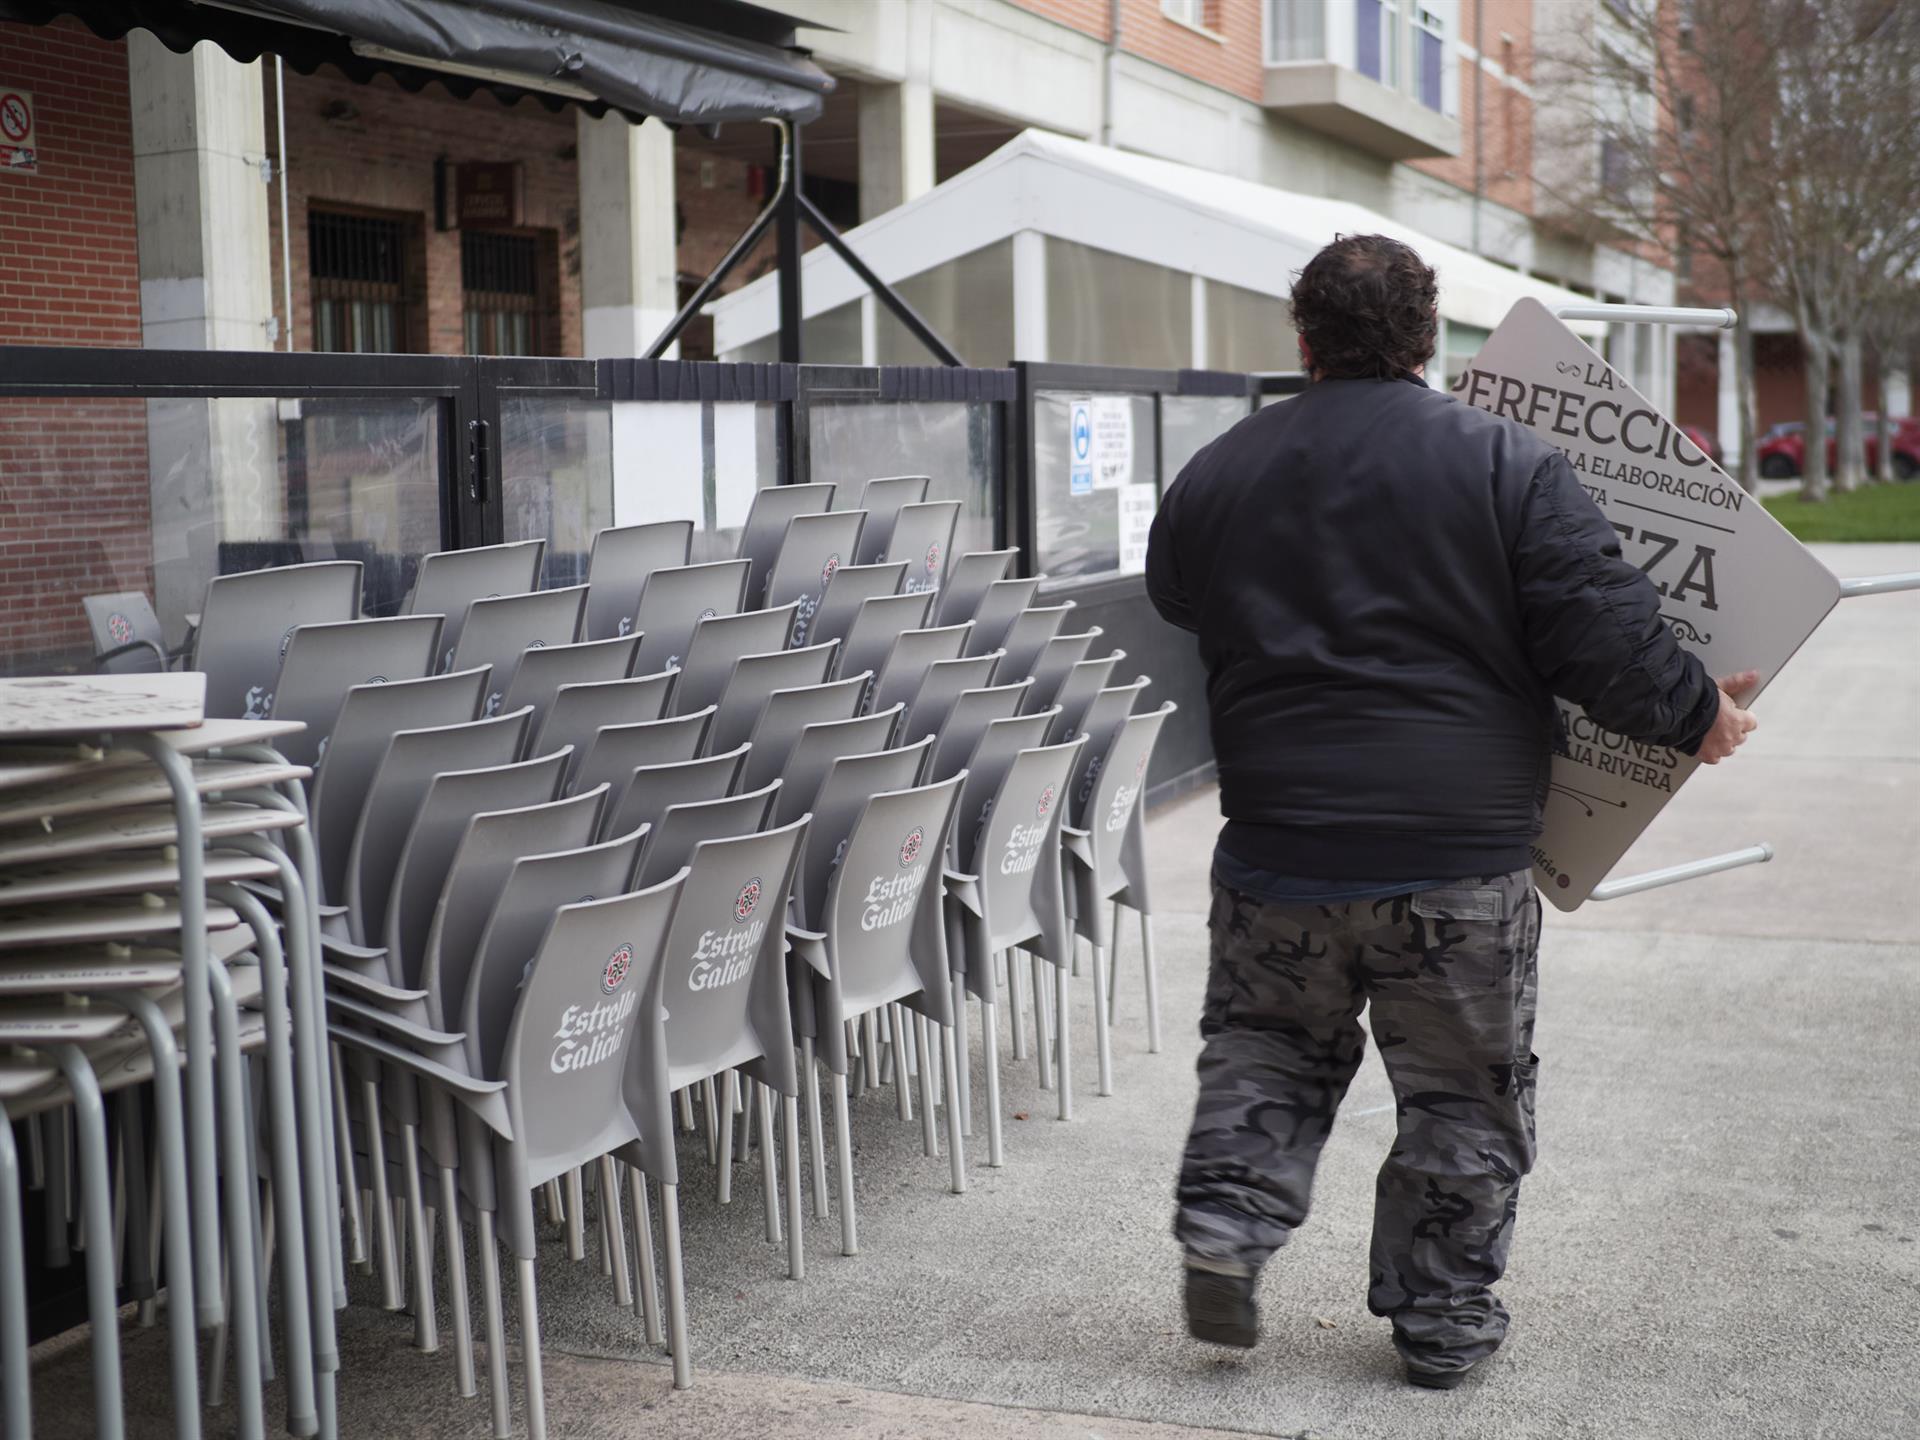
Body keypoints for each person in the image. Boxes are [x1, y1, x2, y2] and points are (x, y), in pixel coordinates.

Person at [1144, 234, 1757, 1389]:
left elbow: (1179, 594)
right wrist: (1697, 718)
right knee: (1463, 1095)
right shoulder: (1505, 465)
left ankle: (1226, 1232)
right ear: (1430, 337)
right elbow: (1603, 631)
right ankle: (1441, 1324)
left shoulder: (1219, 471)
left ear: (1304, 337)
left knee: (1266, 1051)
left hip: (1280, 848)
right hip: (1456, 861)